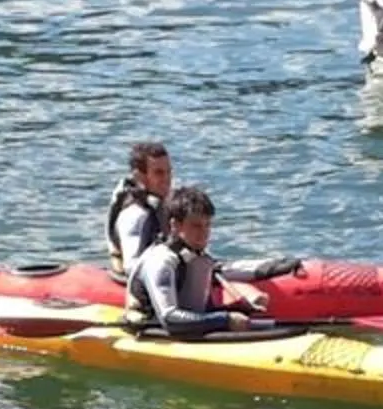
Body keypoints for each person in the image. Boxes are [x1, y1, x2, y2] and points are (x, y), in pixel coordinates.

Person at [124, 185, 271, 339]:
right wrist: (225, 320)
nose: (204, 233)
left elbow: (200, 311)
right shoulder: (161, 261)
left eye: (207, 225)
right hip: (152, 333)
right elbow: (169, 319)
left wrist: (243, 310)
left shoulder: (199, 259)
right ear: (175, 225)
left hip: (187, 332)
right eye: (196, 226)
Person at [105, 140, 173, 277]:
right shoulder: (135, 215)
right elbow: (132, 267)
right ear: (139, 176)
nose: (167, 179)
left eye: (169, 172)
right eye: (159, 173)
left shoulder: (158, 200)